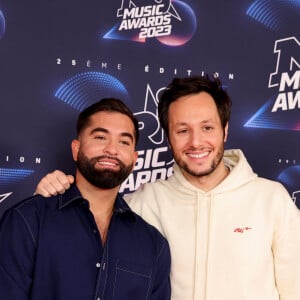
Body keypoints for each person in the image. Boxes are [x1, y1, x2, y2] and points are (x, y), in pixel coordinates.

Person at [34, 75, 300, 300]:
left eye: (207, 127)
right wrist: (47, 195)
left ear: (225, 131)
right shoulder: (143, 203)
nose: (196, 142)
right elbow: (81, 231)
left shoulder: (271, 200)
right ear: (168, 138)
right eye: (182, 130)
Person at [0, 98, 171, 300]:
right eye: (100, 137)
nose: (112, 149)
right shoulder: (28, 221)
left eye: (124, 142)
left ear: (134, 161)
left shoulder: (153, 244)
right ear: (76, 148)